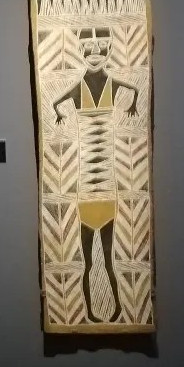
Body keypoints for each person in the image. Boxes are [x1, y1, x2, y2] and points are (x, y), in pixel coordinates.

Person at [50, 27, 139, 322]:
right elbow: (55, 102)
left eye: (101, 46)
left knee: (106, 261)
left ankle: (114, 311)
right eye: (89, 47)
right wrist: (59, 114)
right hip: (88, 191)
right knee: (90, 263)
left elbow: (134, 90)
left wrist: (134, 104)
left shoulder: (109, 85)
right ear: (80, 50)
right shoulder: (80, 88)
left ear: (110, 49)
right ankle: (92, 312)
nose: (95, 53)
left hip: (103, 190)